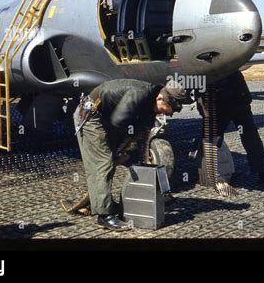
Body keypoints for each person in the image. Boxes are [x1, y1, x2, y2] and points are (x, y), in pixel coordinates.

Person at [73, 79, 186, 231]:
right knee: (103, 162)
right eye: (167, 109)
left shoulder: (151, 101)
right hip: (91, 116)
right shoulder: (139, 94)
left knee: (131, 157)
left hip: (107, 118)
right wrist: (120, 149)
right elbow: (119, 121)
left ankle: (102, 199)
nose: (168, 114)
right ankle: (104, 215)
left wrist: (139, 158)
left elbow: (144, 133)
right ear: (160, 98)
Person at [196, 71, 264, 187]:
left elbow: (198, 93)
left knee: (249, 138)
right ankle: (262, 174)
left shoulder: (202, 69)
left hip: (234, 101)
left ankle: (262, 173)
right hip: (231, 100)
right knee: (249, 138)